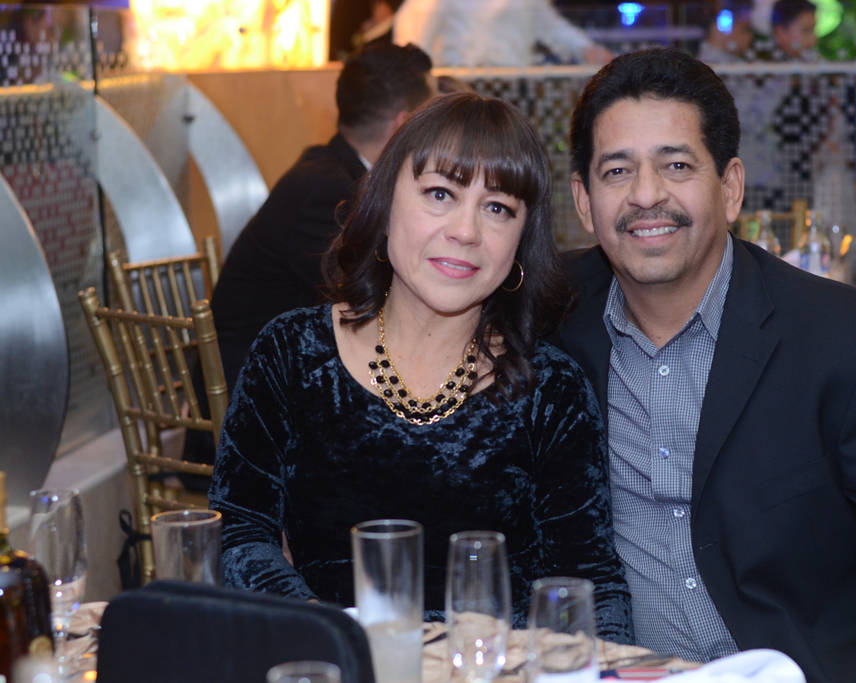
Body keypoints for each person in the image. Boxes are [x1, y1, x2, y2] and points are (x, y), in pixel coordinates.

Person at [554, 48, 856, 681]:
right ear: (584, 201)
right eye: (617, 171)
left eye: (676, 165)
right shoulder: (549, 315)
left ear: (730, 188)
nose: (646, 195)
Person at [208, 92, 633, 641]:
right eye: (440, 194)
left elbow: (589, 584)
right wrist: (330, 633)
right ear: (385, 203)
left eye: (497, 208)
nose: (466, 231)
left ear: (520, 243)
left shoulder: (551, 389)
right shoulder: (292, 353)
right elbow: (238, 534)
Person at [209, 41, 435, 393]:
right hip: (255, 387)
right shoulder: (327, 191)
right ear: (403, 125)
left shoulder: (332, 171)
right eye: (430, 122)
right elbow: (374, 300)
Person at [393, 0, 613, 67]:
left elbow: (550, 25)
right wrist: (414, 81)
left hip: (516, 84)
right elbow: (413, 34)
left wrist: (586, 49)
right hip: (460, 88)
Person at [697, 0, 755, 64]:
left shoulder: (747, 34)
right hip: (711, 60)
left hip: (730, 63)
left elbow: (741, 53)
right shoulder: (718, 27)